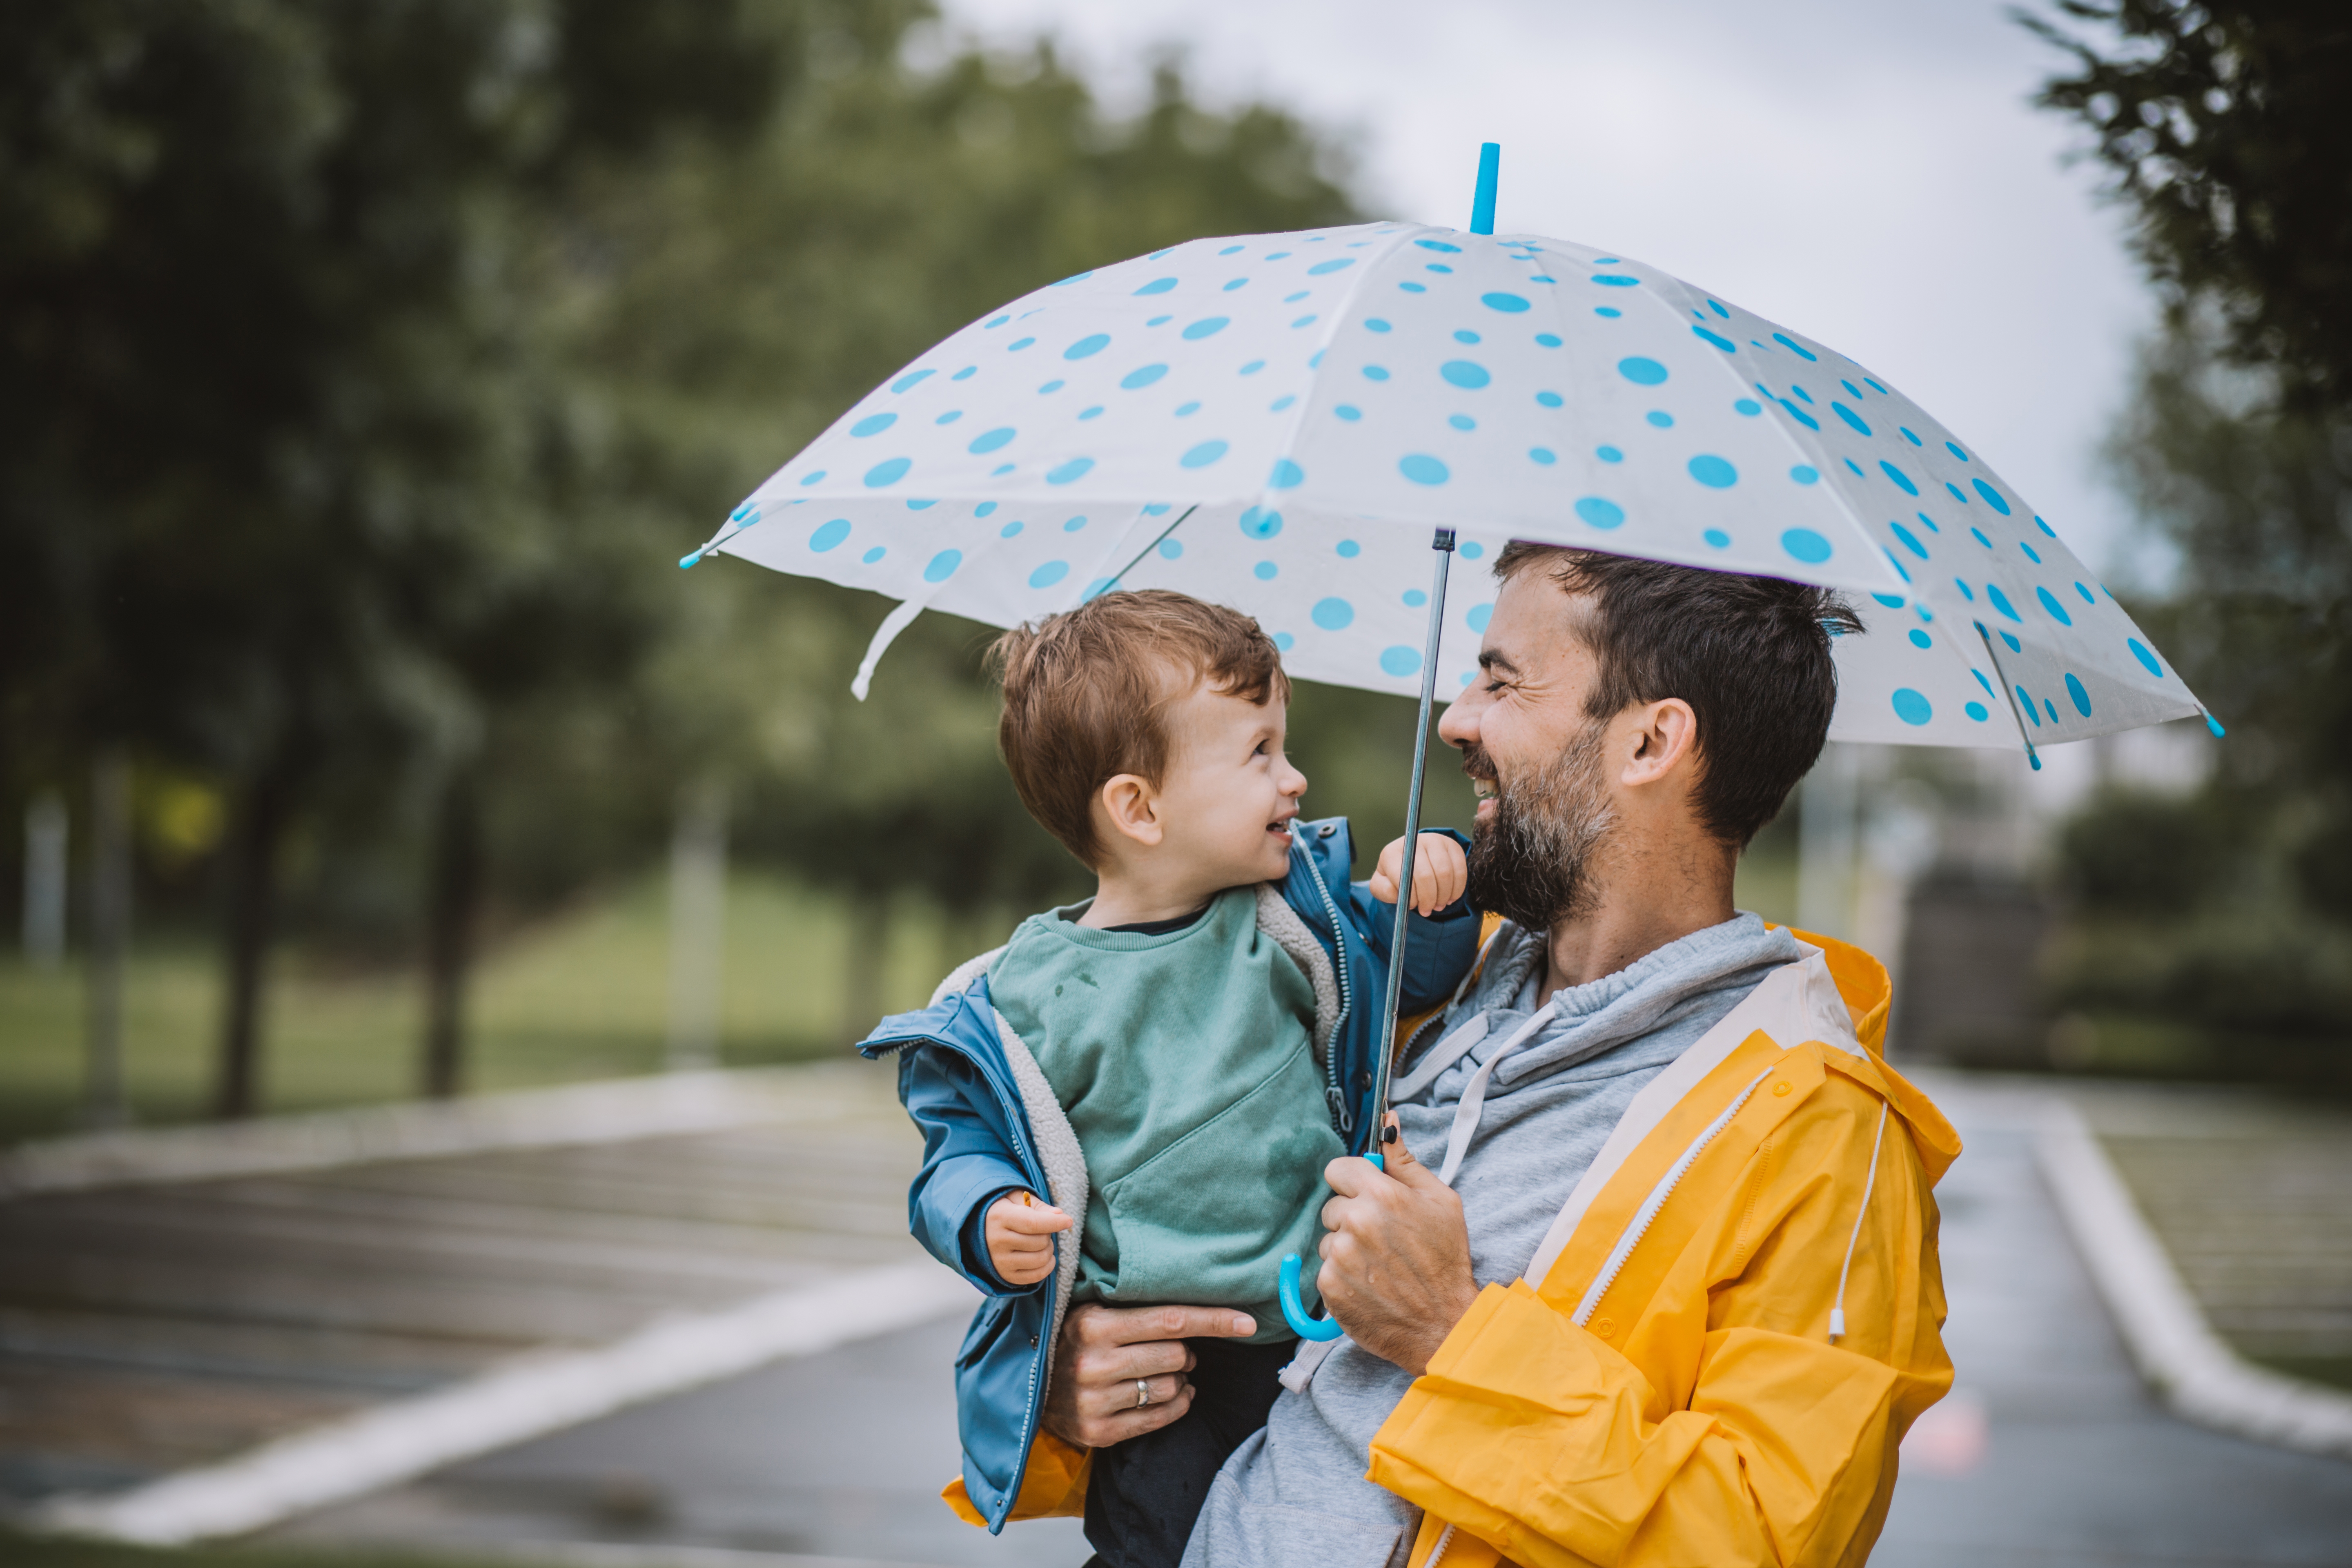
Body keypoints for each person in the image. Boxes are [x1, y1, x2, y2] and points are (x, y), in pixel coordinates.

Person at [1018, 546, 1964, 1568]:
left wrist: (1453, 1333)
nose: (1457, 719)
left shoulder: (1824, 1132)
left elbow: (1766, 1538)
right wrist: (1072, 1383)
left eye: (1502, 682)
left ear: (1652, 740)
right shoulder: (1399, 984)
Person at [857, 589, 1483, 1568]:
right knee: (1165, 1547)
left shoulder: (1296, 918)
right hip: (1166, 1366)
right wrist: (986, 1215)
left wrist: (1429, 903)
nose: (1296, 779)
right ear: (1139, 809)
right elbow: (959, 1143)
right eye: (1260, 753)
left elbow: (1416, 980)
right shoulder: (1026, 997)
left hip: (1321, 1331)